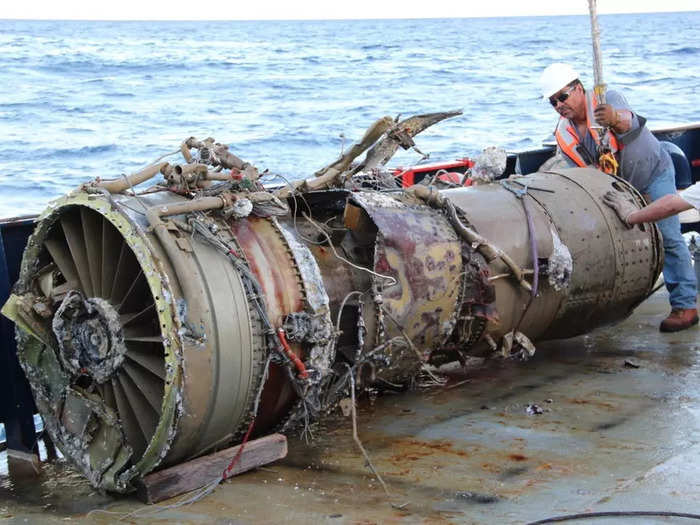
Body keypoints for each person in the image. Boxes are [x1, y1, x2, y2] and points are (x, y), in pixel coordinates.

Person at [539, 63, 698, 332]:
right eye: (552, 102)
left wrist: (613, 118)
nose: (558, 105)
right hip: (618, 189)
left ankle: (686, 306)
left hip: (652, 174)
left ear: (578, 88)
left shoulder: (606, 99)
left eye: (562, 97)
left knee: (669, 237)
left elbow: (629, 121)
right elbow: (584, 174)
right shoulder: (564, 135)